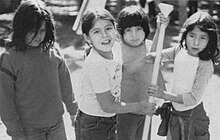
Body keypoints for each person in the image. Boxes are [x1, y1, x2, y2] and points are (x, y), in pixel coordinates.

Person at [74, 8, 156, 140]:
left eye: (108, 28)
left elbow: (120, 70)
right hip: (93, 122)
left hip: (110, 117)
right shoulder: (96, 64)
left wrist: (147, 61)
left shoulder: (116, 48)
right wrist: (139, 106)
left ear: (115, 29)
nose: (105, 35)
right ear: (87, 37)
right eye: (97, 32)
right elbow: (108, 105)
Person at [0, 0, 78, 140]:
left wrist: (73, 110)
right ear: (21, 28)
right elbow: (5, 102)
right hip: (28, 130)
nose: (38, 36)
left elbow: (65, 83)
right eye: (32, 31)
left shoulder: (53, 51)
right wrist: (16, 133)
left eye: (42, 30)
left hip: (57, 125)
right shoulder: (9, 58)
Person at [148, 11, 219, 140]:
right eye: (192, 36)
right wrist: (160, 28)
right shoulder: (180, 50)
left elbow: (192, 98)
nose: (196, 43)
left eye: (202, 37)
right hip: (176, 113)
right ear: (185, 35)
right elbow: (159, 54)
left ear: (210, 40)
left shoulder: (205, 65)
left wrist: (163, 94)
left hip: (192, 117)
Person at [116, 5, 168, 140]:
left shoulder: (149, 45)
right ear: (121, 33)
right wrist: (143, 61)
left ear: (145, 29)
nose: (134, 35)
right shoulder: (118, 51)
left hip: (145, 110)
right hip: (125, 112)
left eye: (138, 29)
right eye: (129, 30)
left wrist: (160, 28)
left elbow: (154, 58)